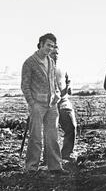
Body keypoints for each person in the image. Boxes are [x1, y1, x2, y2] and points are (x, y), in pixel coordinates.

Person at [21, 33, 66, 174]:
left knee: (53, 136)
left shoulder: (51, 62)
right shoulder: (29, 62)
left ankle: (55, 167)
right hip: (37, 106)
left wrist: (57, 94)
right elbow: (25, 85)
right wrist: (32, 103)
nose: (50, 48)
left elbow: (53, 82)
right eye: (48, 45)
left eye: (53, 46)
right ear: (41, 44)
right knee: (35, 137)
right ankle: (32, 167)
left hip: (52, 105)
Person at [49, 46, 77, 161]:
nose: (55, 55)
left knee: (71, 127)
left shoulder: (62, 67)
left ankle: (66, 154)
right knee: (51, 132)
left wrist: (69, 87)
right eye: (53, 53)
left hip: (64, 101)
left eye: (57, 53)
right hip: (50, 103)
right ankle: (50, 157)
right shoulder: (43, 68)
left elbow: (67, 81)